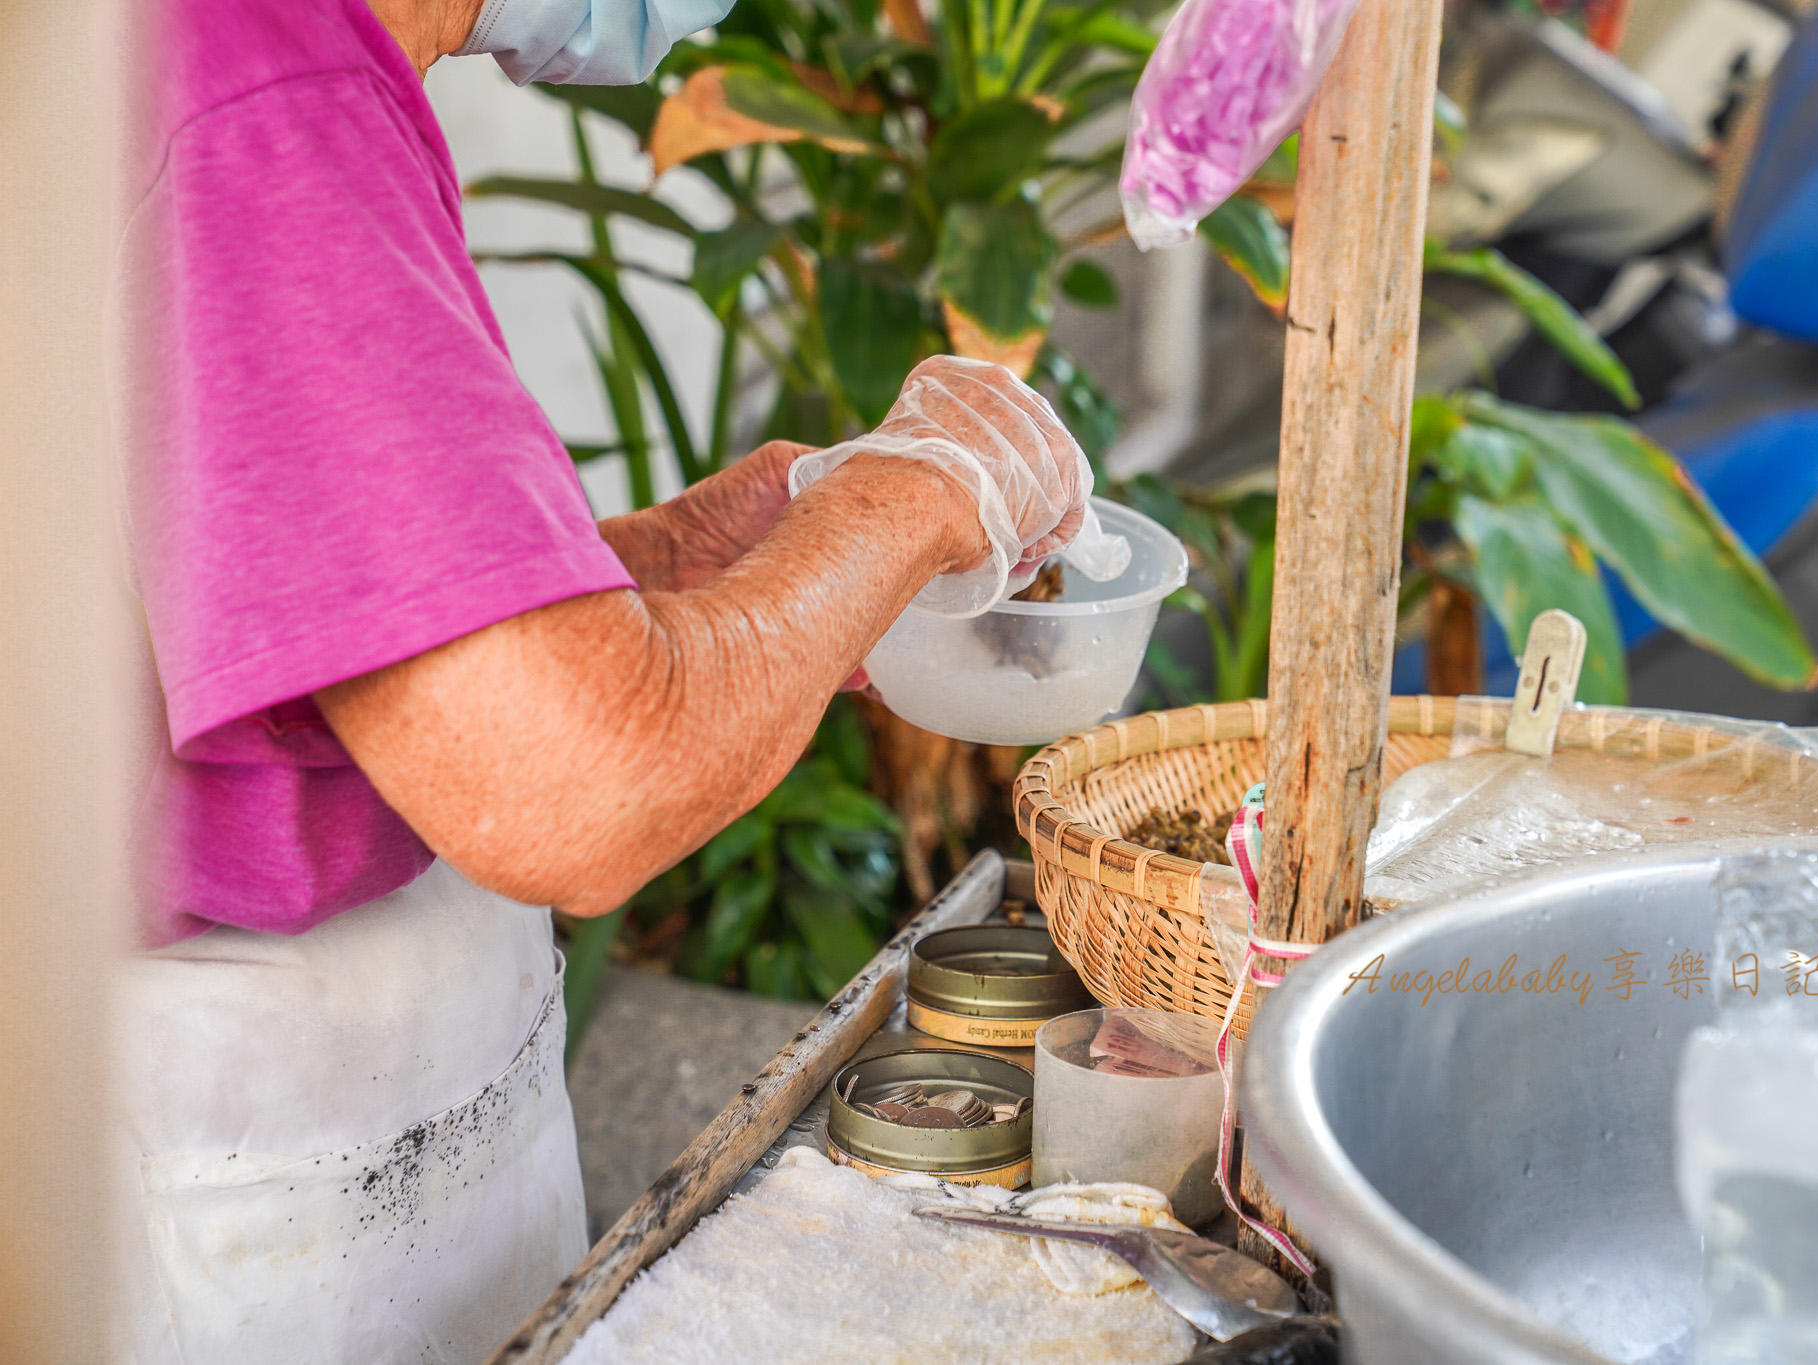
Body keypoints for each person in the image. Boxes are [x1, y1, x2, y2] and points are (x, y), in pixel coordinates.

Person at [119, 0, 1093, 1359]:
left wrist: (666, 563)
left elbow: (277, 610)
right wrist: (909, 500)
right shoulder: (249, 85)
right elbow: (579, 786)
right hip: (218, 1185)